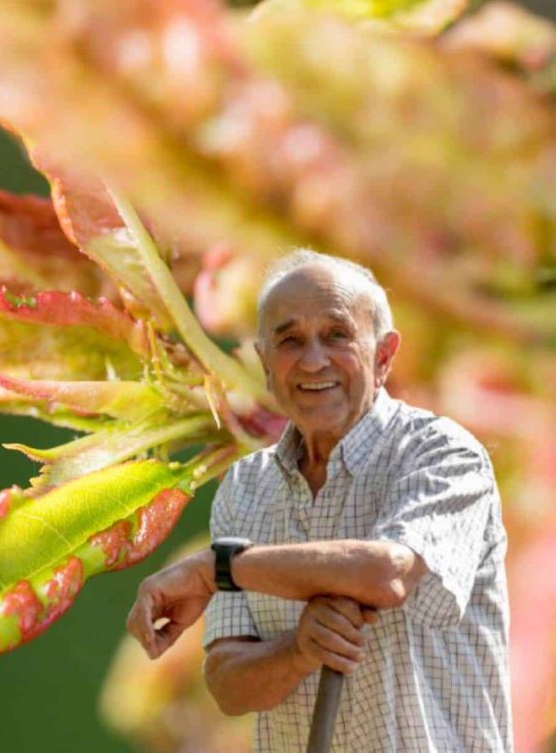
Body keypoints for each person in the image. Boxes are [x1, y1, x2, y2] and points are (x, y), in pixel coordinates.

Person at [125, 250, 511, 752]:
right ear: (265, 364)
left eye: (337, 335)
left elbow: (387, 573)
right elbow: (228, 685)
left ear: (385, 355)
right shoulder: (246, 487)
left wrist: (215, 569)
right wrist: (299, 649)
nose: (312, 360)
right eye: (290, 341)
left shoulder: (442, 452)